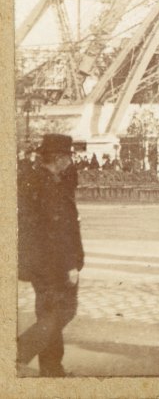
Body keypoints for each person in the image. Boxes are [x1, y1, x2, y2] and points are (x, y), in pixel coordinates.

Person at [17, 134, 85, 377]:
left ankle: (52, 368)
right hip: (54, 264)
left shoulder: (37, 180)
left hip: (38, 261)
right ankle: (18, 351)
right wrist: (70, 265)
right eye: (67, 156)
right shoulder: (51, 187)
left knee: (48, 313)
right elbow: (58, 230)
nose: (70, 161)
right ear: (58, 158)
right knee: (64, 311)